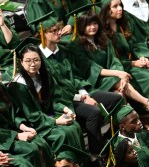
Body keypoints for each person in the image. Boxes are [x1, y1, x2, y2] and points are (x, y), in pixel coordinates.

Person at [35, 12, 123, 155]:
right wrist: (81, 98)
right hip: (62, 102)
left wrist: (84, 93)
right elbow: (55, 90)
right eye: (54, 31)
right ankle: (96, 154)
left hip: (77, 94)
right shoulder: (40, 59)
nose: (59, 33)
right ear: (43, 34)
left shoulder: (63, 51)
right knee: (93, 112)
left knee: (116, 99)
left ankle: (110, 138)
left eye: (59, 29)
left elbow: (75, 76)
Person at [65, 10, 149, 112]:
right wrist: (118, 73)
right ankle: (146, 102)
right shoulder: (77, 45)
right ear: (81, 26)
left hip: (110, 77)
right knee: (116, 82)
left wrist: (121, 75)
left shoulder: (103, 39)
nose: (93, 27)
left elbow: (114, 60)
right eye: (88, 25)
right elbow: (91, 68)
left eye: (95, 23)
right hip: (92, 81)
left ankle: (135, 116)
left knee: (120, 91)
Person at [9, 42, 85, 153]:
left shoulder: (43, 76)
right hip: (34, 124)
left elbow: (54, 99)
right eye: (28, 60)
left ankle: (76, 164)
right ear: (21, 62)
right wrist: (55, 121)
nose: (33, 64)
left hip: (47, 116)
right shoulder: (18, 85)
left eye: (36, 60)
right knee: (62, 134)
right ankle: (60, 165)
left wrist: (65, 109)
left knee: (74, 126)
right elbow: (31, 115)